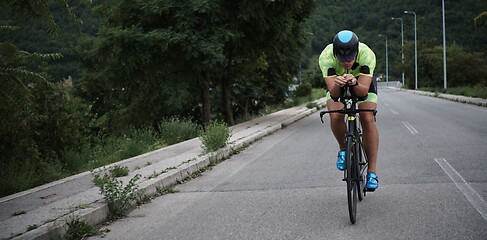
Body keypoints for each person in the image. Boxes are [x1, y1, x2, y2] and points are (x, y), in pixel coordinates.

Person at [318, 30, 379, 190]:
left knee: (367, 118)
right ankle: (343, 149)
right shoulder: (326, 57)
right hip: (337, 84)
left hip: (362, 84)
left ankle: (372, 173)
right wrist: (338, 84)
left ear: (357, 52)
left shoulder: (367, 55)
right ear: (335, 54)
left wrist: (355, 83)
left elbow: (363, 92)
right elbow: (334, 94)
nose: (346, 62)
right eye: (342, 58)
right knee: (336, 116)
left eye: (350, 57)